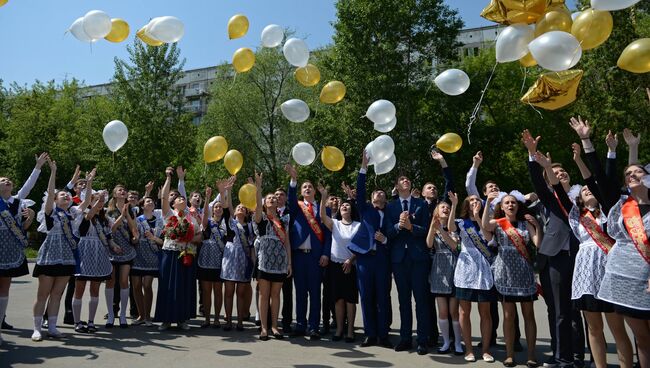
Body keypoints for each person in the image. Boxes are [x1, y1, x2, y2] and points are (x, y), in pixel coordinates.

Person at [566, 118, 633, 368]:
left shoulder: (610, 211)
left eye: (591, 189)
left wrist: (589, 143)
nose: (589, 191)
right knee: (594, 328)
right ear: (580, 199)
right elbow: (557, 192)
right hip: (586, 276)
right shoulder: (578, 218)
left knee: (617, 328)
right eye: (584, 191)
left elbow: (600, 180)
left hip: (609, 272)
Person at [522, 129, 586, 368]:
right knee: (556, 310)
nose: (560, 174)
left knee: (573, 310)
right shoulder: (549, 199)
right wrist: (532, 156)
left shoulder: (581, 199)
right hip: (550, 257)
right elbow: (539, 182)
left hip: (575, 256)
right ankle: (560, 353)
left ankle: (575, 355)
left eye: (563, 172)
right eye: (555, 172)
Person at [597, 163, 650, 367]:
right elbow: (600, 178)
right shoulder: (621, 205)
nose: (632, 174)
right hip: (621, 277)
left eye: (638, 171)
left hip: (646, 278)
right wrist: (586, 141)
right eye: (627, 172)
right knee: (642, 337)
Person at [32, 158, 90, 341]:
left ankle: (53, 327)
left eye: (67, 195)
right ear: (56, 200)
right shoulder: (50, 212)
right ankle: (37, 328)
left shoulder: (72, 213)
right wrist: (53, 172)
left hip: (67, 258)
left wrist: (89, 183)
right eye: (62, 195)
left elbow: (87, 201)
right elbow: (50, 194)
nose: (66, 196)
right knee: (43, 294)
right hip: (49, 257)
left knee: (57, 294)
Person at [482, 191, 541, 367]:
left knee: (528, 315)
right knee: (508, 316)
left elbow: (537, 242)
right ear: (502, 206)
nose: (510, 205)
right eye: (506, 203)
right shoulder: (499, 223)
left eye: (513, 202)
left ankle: (531, 355)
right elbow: (485, 224)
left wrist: (537, 225)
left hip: (524, 272)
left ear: (518, 205)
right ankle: (509, 355)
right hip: (505, 274)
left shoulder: (525, 223)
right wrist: (487, 203)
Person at [0, 152, 47, 344]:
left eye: (8, 179)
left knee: (4, 288)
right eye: (3, 180)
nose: (7, 181)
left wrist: (37, 167)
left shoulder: (18, 202)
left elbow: (23, 228)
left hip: (11, 251)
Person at [351, 151, 392, 348]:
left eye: (382, 193)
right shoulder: (365, 209)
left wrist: (385, 240)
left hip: (383, 258)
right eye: (376, 193)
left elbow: (397, 234)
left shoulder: (391, 211)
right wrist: (364, 167)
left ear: (386, 199)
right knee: (366, 296)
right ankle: (370, 334)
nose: (379, 194)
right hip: (365, 259)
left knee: (383, 297)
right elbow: (360, 191)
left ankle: (384, 335)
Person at [284, 164, 331, 340]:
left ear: (314, 191)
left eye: (310, 187)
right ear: (302, 192)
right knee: (300, 292)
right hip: (299, 256)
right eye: (304, 187)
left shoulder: (323, 209)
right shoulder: (296, 207)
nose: (307, 189)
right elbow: (290, 196)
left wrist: (326, 253)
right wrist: (294, 180)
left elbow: (327, 234)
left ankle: (313, 327)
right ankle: (301, 325)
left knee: (315, 293)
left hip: (315, 256)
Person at [386, 174, 431, 355]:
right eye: (402, 179)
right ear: (397, 186)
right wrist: (399, 226)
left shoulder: (421, 204)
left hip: (418, 258)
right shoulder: (391, 207)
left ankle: (422, 339)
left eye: (408, 179)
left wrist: (411, 227)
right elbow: (388, 232)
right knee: (403, 301)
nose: (406, 181)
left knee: (421, 300)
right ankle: (405, 338)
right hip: (399, 260)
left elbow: (427, 230)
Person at [449, 194, 496, 362]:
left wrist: (477, 217)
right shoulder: (462, 223)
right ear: (466, 205)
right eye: (471, 200)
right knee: (464, 311)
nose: (475, 202)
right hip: (466, 268)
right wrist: (453, 204)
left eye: (478, 200)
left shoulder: (488, 221)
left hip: (484, 269)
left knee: (485, 312)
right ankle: (469, 349)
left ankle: (485, 349)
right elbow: (450, 228)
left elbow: (489, 240)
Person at [155, 167, 200, 331]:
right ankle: (166, 320)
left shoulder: (191, 218)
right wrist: (168, 177)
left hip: (184, 255)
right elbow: (163, 197)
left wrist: (188, 238)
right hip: (169, 253)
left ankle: (182, 319)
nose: (181, 200)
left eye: (183, 198)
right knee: (166, 285)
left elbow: (199, 236)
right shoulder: (168, 214)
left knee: (182, 287)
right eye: (178, 199)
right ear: (173, 203)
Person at [72, 189, 118, 333]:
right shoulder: (84, 216)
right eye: (97, 200)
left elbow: (109, 238)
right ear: (90, 202)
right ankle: (77, 321)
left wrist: (114, 246)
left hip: (99, 255)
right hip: (84, 253)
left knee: (95, 289)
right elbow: (89, 215)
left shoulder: (104, 220)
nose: (100, 203)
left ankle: (91, 321)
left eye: (102, 200)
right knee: (79, 289)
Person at [253, 173, 292, 340]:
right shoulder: (260, 217)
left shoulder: (283, 221)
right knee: (264, 295)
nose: (271, 200)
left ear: (278, 203)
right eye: (268, 198)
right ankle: (264, 327)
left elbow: (288, 243)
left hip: (280, 262)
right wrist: (259, 187)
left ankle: (275, 326)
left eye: (273, 199)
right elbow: (257, 206)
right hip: (264, 262)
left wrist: (289, 263)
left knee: (276, 295)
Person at [318, 183, 358, 343]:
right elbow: (322, 215)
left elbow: (361, 246)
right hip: (335, 265)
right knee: (338, 299)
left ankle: (350, 331)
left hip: (350, 266)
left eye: (347, 205)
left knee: (350, 299)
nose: (344, 207)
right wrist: (323, 196)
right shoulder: (335, 223)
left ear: (351, 210)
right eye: (343, 205)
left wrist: (351, 259)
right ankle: (340, 329)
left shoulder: (358, 225)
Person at [426, 200, 462, 355]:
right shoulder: (434, 226)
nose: (446, 209)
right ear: (437, 211)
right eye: (443, 207)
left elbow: (454, 246)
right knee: (442, 311)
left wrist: (441, 229)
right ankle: (446, 342)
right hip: (439, 270)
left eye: (448, 207)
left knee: (454, 311)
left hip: (454, 269)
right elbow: (428, 244)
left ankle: (458, 343)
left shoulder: (454, 226)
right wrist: (433, 228)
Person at [198, 179, 231, 328]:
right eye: (215, 207)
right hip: (205, 260)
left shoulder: (226, 224)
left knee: (218, 291)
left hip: (219, 261)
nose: (217, 209)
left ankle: (217, 318)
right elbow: (205, 214)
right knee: (206, 290)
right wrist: (207, 197)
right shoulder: (207, 222)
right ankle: (207, 318)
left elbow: (228, 207)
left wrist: (224, 192)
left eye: (220, 207)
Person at [221, 187, 255, 332]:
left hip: (244, 260)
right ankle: (228, 320)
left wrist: (252, 264)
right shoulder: (230, 223)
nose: (240, 208)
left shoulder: (251, 227)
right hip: (230, 259)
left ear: (247, 212)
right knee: (228, 292)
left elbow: (252, 246)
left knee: (241, 293)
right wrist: (228, 191)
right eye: (238, 207)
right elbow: (227, 207)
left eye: (243, 207)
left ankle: (240, 321)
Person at [106, 185, 139, 328]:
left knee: (124, 281)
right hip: (112, 249)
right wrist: (121, 216)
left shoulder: (132, 211)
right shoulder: (109, 211)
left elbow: (134, 230)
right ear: (114, 194)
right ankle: (111, 314)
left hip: (126, 250)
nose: (123, 192)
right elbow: (111, 229)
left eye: (124, 190)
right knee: (111, 281)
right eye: (119, 190)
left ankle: (123, 315)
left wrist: (127, 215)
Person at [131, 196, 163, 327]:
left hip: (152, 257)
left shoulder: (160, 221)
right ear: (143, 206)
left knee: (147, 285)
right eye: (147, 201)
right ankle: (141, 315)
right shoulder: (137, 220)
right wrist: (135, 238)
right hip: (138, 256)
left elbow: (162, 241)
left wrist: (153, 237)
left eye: (152, 201)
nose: (151, 203)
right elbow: (133, 239)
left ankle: (148, 316)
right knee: (136, 286)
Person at [274, 187, 293, 333]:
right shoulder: (269, 213)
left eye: (282, 195)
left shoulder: (290, 212)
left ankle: (286, 322)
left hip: (286, 256)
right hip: (270, 258)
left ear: (286, 198)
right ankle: (268, 321)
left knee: (287, 291)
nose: (279, 197)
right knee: (269, 292)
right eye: (276, 195)